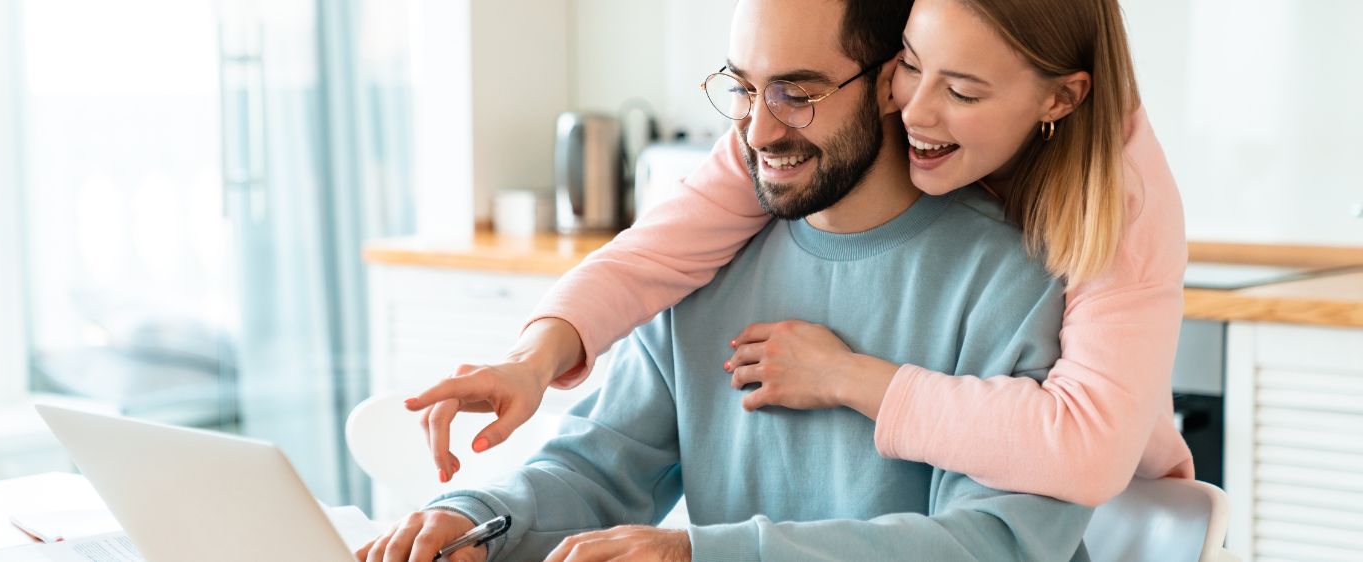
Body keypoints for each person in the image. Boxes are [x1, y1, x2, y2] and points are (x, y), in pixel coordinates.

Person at [360, 1, 1092, 559]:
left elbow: (994, 542)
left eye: (796, 94)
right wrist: (474, 519)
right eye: (744, 88)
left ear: (891, 84)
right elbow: (596, 466)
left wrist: (702, 551)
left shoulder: (1013, 276)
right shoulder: (709, 256)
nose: (757, 131)